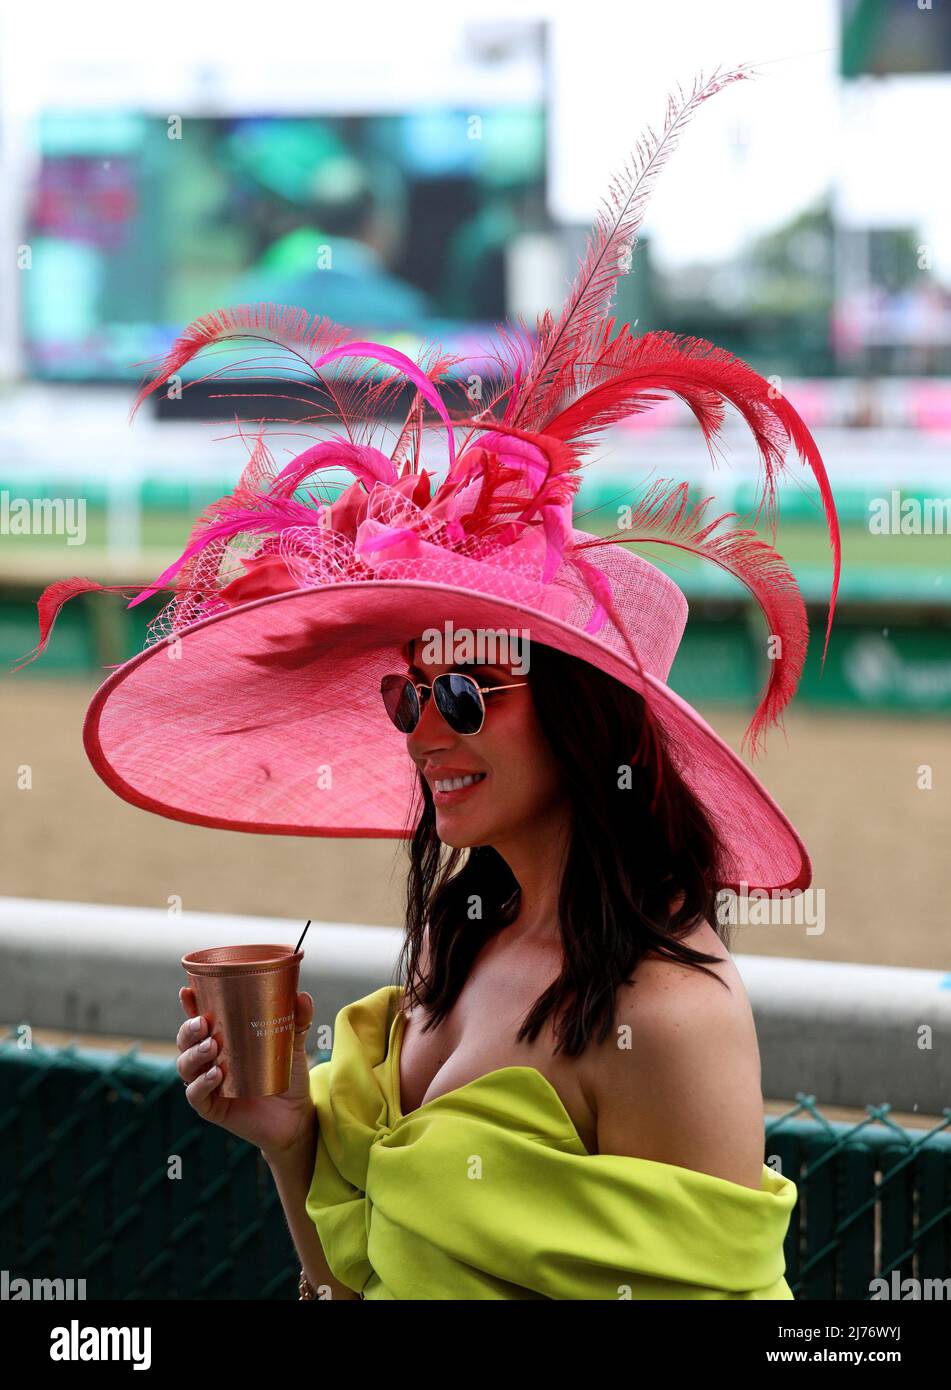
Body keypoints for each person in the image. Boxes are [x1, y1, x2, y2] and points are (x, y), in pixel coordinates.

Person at [17, 63, 840, 1299]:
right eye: (409, 695)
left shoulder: (668, 1015)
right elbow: (348, 1288)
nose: (422, 732)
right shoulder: (453, 951)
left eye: (466, 694)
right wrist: (289, 1136)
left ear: (582, 709)